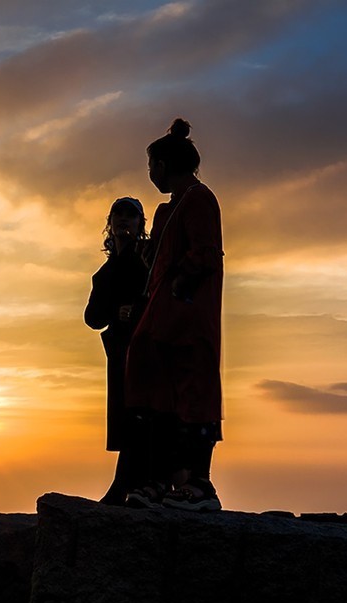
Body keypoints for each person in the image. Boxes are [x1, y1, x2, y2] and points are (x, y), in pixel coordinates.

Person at [124, 117, 225, 511]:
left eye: (151, 167)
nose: (150, 174)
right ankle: (159, 481)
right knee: (158, 399)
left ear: (164, 166)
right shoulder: (170, 210)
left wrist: (180, 286)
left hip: (187, 323)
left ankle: (199, 486)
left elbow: (204, 253)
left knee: (193, 398)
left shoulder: (199, 199)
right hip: (163, 325)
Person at [84, 197, 150, 505]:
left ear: (140, 224)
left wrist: (135, 310)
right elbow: (92, 318)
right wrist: (116, 311)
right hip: (120, 350)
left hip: (147, 349)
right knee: (129, 415)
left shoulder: (149, 261)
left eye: (131, 216)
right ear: (110, 223)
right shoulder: (105, 272)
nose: (124, 220)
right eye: (118, 215)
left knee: (140, 415)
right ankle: (126, 485)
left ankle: (128, 486)